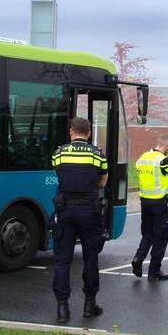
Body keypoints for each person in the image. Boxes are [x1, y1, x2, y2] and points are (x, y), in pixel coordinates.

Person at [50, 116, 108, 324]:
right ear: (89, 133)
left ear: (71, 132)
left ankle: (62, 309)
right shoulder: (98, 156)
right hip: (89, 212)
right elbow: (102, 182)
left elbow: (58, 173)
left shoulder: (59, 153)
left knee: (62, 260)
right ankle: (89, 305)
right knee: (90, 259)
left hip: (64, 210)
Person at [131, 134, 168, 281]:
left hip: (145, 203)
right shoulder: (163, 160)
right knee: (161, 237)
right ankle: (154, 271)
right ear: (166, 146)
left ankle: (138, 259)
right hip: (159, 204)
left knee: (147, 235)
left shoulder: (143, 157)